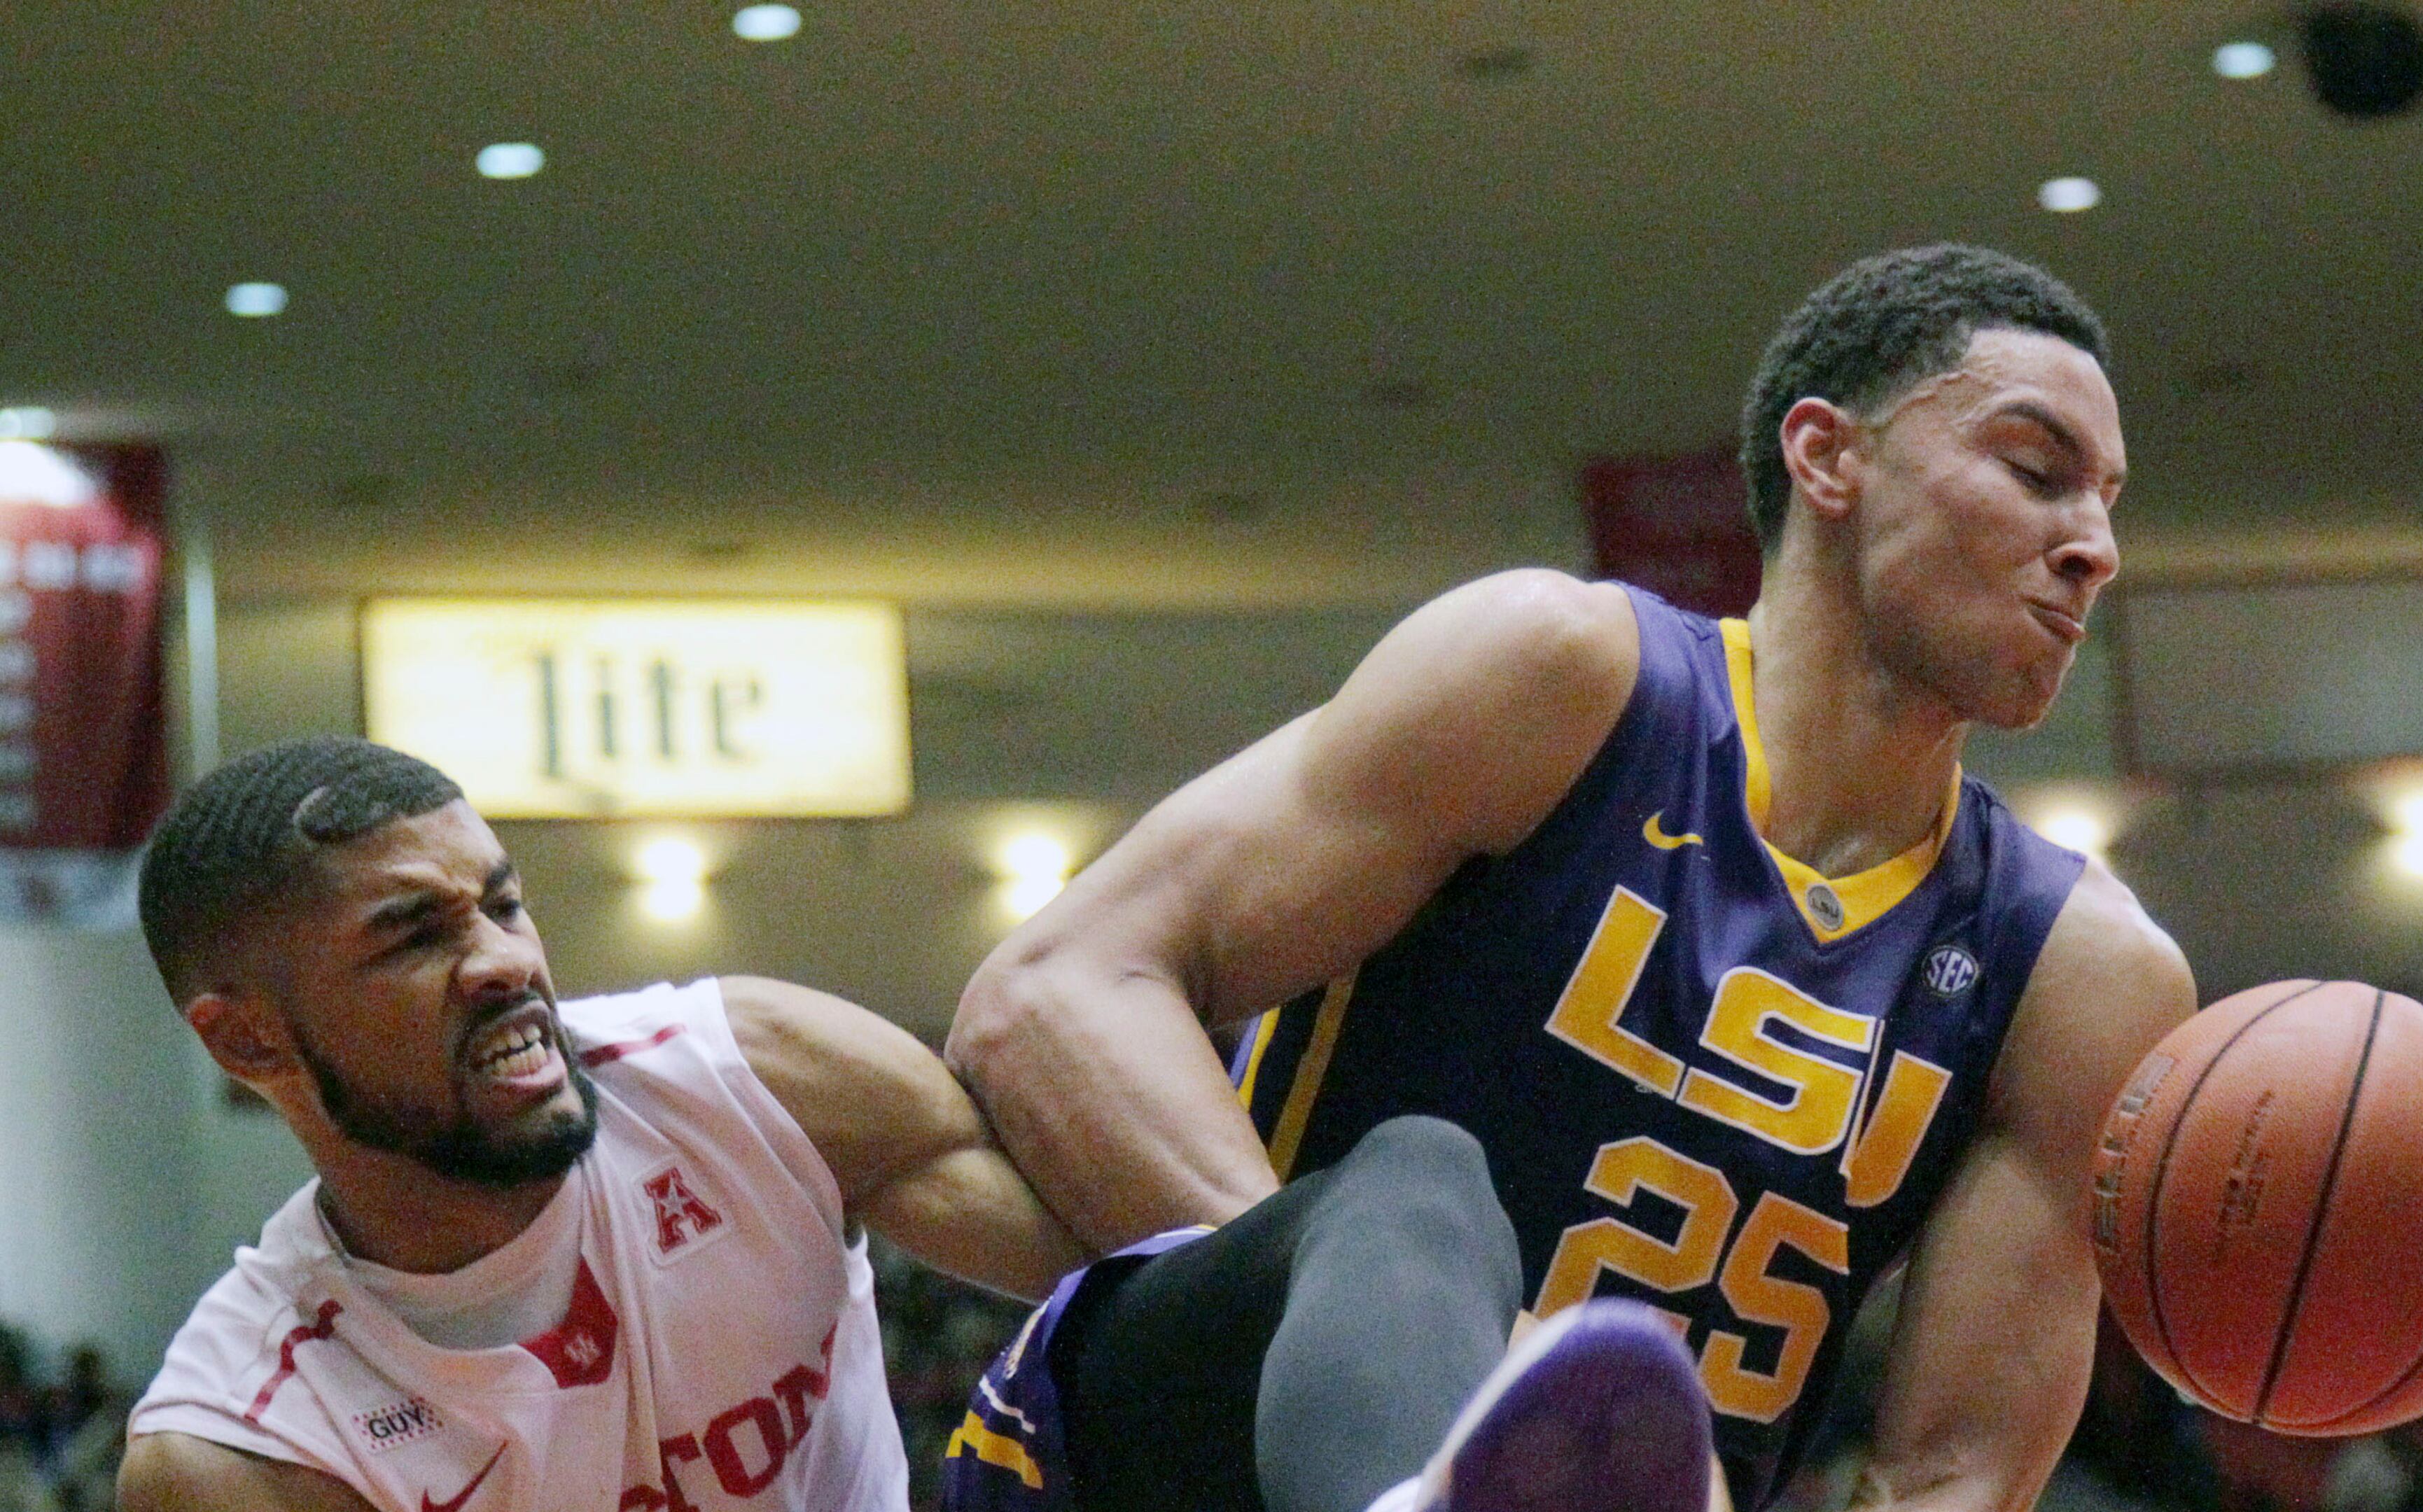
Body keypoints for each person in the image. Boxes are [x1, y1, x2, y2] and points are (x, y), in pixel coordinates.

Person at [947, 244, 2198, 1512]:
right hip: (1190, 1464)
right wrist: (1382, 1367)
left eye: (2106, 500)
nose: (2092, 545)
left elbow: (1953, 1474)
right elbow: (1055, 989)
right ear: (1828, 458)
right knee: (1416, 1179)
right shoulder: (1562, 682)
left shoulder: (2081, 975)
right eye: (2037, 474)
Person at [114, 738, 1712, 1512]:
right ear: (248, 1039)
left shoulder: (748, 1071)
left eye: (506, 904)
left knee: (1406, 1177)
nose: (508, 966)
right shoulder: (242, 1450)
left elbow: (1159, 1290)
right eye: (414, 938)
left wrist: (1430, 1354)